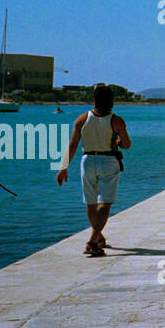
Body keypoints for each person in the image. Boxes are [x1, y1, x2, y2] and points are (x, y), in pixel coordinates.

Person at [55, 83, 131, 257]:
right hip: (109, 161)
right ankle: (93, 240)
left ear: (94, 100)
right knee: (105, 203)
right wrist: (117, 142)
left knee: (91, 203)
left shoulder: (82, 119)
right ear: (112, 101)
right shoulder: (117, 121)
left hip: (87, 160)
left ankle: (99, 237)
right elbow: (127, 145)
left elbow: (73, 144)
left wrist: (63, 168)